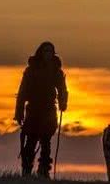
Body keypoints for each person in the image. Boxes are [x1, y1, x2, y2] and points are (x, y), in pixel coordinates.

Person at [14, 41, 68, 178]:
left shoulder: (56, 70)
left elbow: (62, 89)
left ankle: (43, 171)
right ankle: (26, 171)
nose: (48, 54)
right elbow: (22, 91)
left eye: (50, 51)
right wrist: (19, 112)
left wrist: (63, 102)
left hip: (49, 110)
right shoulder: (31, 70)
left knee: (46, 142)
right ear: (41, 52)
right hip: (33, 110)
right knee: (31, 142)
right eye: (46, 51)